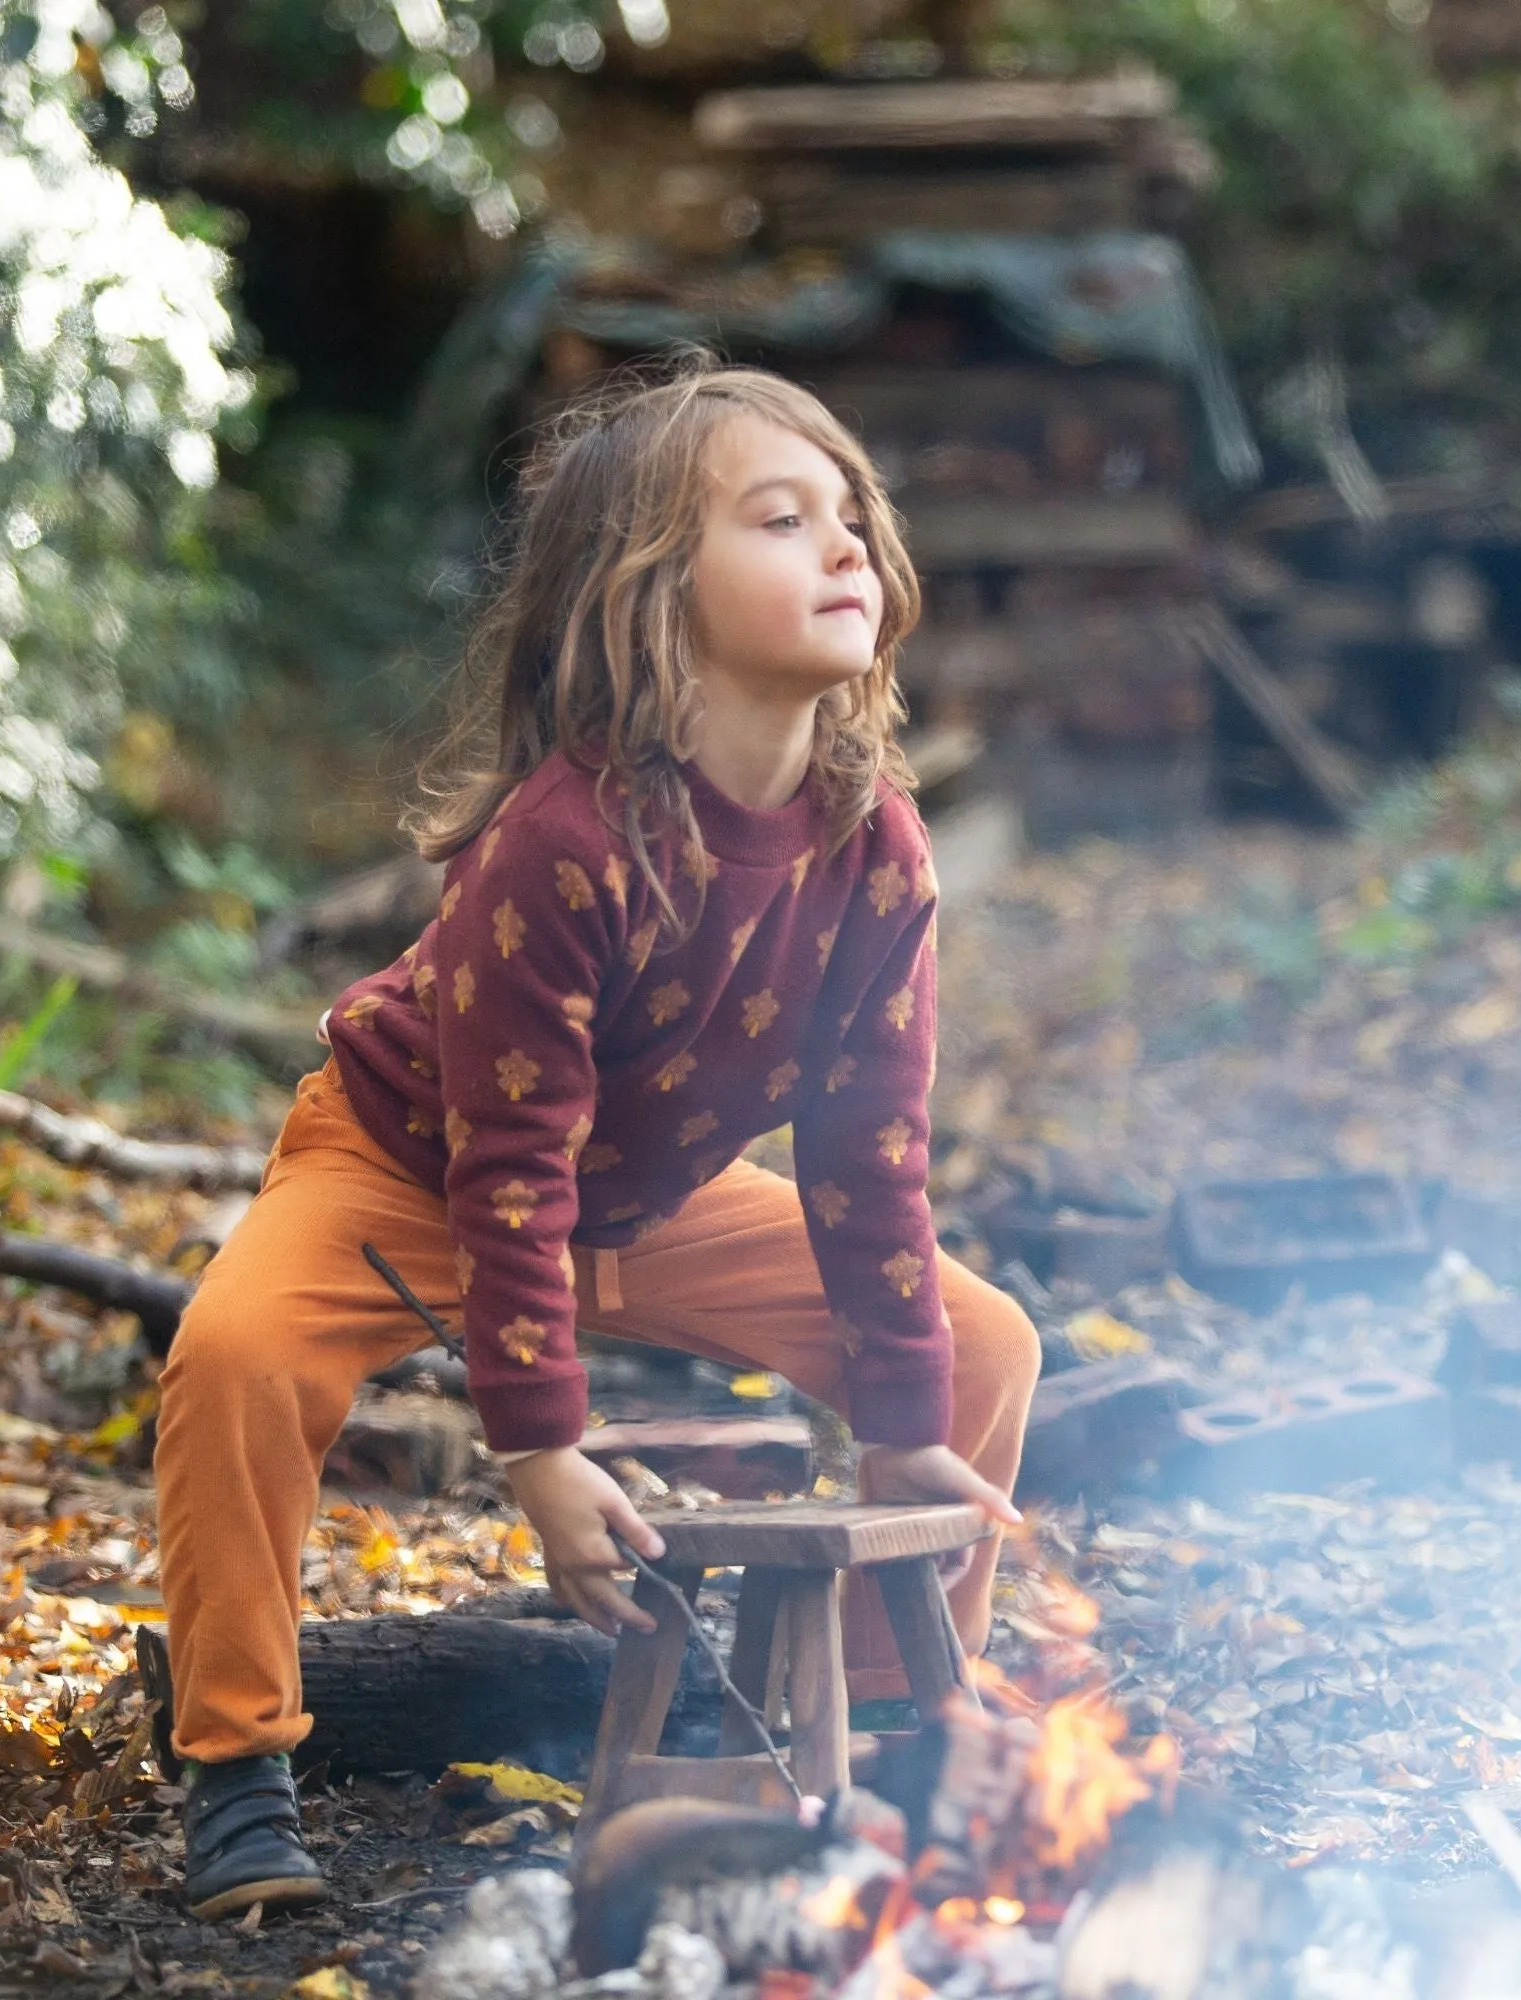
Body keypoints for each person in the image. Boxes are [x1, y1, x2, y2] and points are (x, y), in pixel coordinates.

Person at [154, 360, 1041, 1918]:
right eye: (783, 519)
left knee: (982, 1349)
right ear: (648, 591)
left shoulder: (877, 849)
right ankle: (236, 1767)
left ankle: (898, 1727)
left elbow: (869, 1151)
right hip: (409, 1173)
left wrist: (902, 1420)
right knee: (234, 1355)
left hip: (659, 1201)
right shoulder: (563, 842)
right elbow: (510, 1166)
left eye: (852, 516)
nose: (845, 547)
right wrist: (541, 1451)